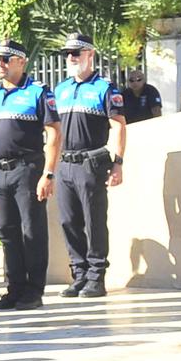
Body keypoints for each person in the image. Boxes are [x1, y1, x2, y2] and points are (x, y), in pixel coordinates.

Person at [0, 38, 59, 310]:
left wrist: (48, 173)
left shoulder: (38, 92)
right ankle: (14, 288)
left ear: (21, 62)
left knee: (32, 231)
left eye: (6, 59)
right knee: (6, 231)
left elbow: (54, 133)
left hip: (27, 169)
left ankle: (33, 291)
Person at [51, 32, 127, 298]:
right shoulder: (60, 90)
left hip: (91, 162)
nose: (71, 58)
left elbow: (118, 126)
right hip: (65, 164)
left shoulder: (105, 88)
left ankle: (96, 276)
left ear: (90, 55)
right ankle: (79, 274)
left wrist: (118, 163)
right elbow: (53, 131)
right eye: (68, 54)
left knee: (94, 221)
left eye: (76, 53)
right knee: (69, 221)